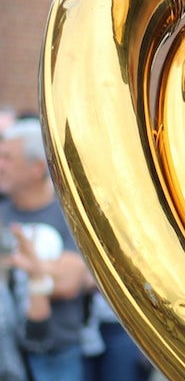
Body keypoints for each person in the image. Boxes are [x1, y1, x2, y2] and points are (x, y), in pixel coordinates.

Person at [0, 119, 93, 381]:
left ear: (37, 168)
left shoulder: (67, 215)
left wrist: (32, 269)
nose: (0, 166)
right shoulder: (2, 213)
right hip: (7, 353)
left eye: (7, 158)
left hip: (56, 353)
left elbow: (73, 280)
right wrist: (47, 272)